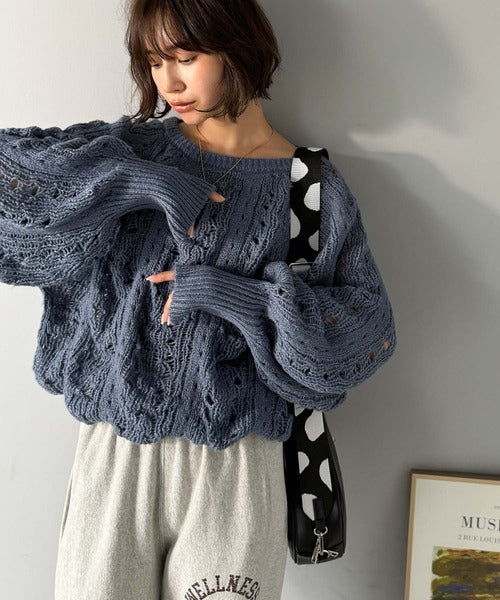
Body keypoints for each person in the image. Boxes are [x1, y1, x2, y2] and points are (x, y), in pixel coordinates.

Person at [0, 0, 397, 598]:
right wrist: (137, 182)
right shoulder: (132, 151)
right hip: (116, 451)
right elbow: (11, 184)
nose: (169, 82)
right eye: (154, 61)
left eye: (185, 57)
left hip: (237, 469)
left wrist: (238, 298)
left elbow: (365, 331)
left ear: (238, 46)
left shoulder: (310, 191)